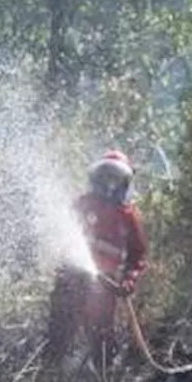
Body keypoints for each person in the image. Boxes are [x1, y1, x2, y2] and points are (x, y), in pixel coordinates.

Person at [46, 150, 149, 370]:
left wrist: (128, 280)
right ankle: (49, 381)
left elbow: (137, 255)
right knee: (59, 332)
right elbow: (61, 233)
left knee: (101, 338)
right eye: (106, 177)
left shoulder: (128, 215)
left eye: (115, 178)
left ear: (124, 182)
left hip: (106, 285)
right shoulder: (82, 204)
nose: (110, 184)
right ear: (97, 178)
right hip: (71, 276)